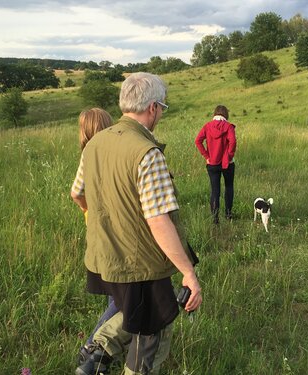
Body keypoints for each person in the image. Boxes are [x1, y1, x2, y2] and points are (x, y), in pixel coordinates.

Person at [75, 72, 202, 375]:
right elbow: (158, 219)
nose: (160, 114)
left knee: (132, 309)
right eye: (163, 108)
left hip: (104, 255)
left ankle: (98, 351)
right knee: (154, 326)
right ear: (153, 107)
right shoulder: (147, 153)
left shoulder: (94, 145)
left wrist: (105, 221)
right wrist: (188, 273)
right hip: (142, 260)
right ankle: (115, 358)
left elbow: (78, 192)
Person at [70, 108, 120, 364]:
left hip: (97, 228)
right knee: (122, 297)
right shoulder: (101, 154)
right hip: (109, 230)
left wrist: (90, 209)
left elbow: (79, 195)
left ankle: (106, 348)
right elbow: (76, 193)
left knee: (115, 292)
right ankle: (92, 348)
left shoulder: (88, 153)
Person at [194, 105, 237, 224]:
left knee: (215, 191)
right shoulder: (228, 127)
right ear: (225, 115)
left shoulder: (207, 126)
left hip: (212, 163)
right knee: (229, 187)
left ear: (215, 114)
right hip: (227, 163)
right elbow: (232, 141)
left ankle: (215, 219)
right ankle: (228, 215)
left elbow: (198, 141)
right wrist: (229, 156)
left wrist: (206, 156)